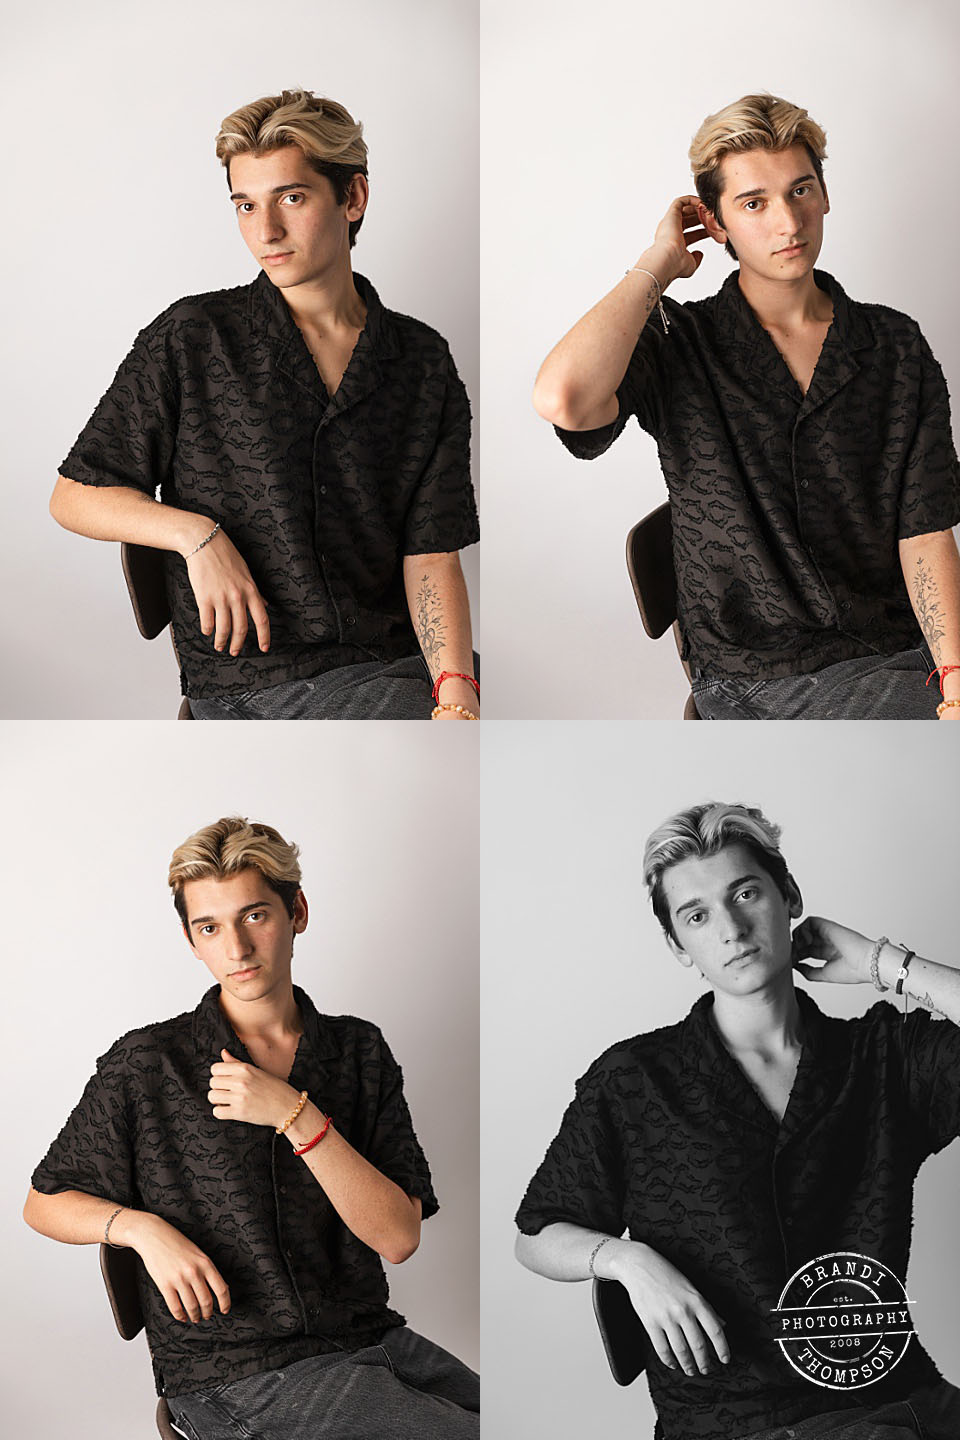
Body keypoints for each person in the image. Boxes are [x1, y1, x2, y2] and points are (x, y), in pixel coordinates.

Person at [515, 801, 960, 1439]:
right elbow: (535, 1234)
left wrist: (883, 965)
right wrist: (624, 1259)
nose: (730, 928)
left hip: (899, 1400)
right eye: (696, 915)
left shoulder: (883, 1057)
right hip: (734, 1424)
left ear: (790, 898)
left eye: (745, 893)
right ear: (678, 944)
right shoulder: (635, 1079)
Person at [25, 816, 479, 1439]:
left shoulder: (358, 1051)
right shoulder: (148, 1064)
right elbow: (44, 1201)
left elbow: (397, 1238)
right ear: (191, 940)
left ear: (298, 911)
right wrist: (140, 1229)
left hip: (368, 1340)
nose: (235, 949)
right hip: (234, 1373)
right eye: (209, 927)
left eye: (255, 916)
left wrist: (295, 1114)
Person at [50, 90, 480, 721]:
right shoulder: (192, 337)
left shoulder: (421, 360)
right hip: (255, 680)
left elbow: (432, 550)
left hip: (397, 667)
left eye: (292, 198)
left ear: (353, 198)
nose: (265, 230)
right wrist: (196, 535)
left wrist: (456, 691)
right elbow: (74, 494)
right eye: (246, 205)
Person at [533, 93, 960, 721]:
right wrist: (658, 264)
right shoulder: (681, 342)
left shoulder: (894, 345)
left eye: (800, 190)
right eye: (753, 203)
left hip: (900, 654)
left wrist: (953, 679)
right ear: (716, 221)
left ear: (825, 194)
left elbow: (924, 532)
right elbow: (563, 397)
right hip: (756, 674)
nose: (788, 223)